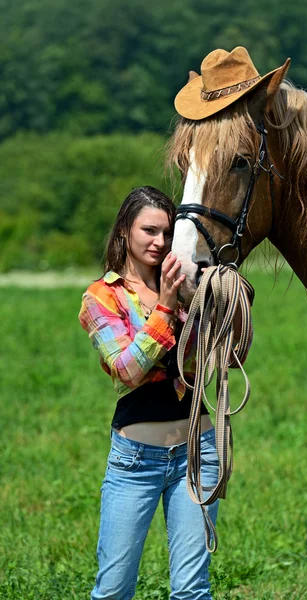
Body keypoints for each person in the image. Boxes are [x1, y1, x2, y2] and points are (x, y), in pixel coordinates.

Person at [78, 186, 219, 600]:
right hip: (136, 460)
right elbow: (128, 369)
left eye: (168, 234)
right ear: (124, 230)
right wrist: (166, 305)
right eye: (149, 231)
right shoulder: (102, 297)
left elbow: (223, 359)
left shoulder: (186, 288)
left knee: (193, 590)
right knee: (115, 589)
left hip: (198, 451)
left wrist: (219, 303)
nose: (160, 242)